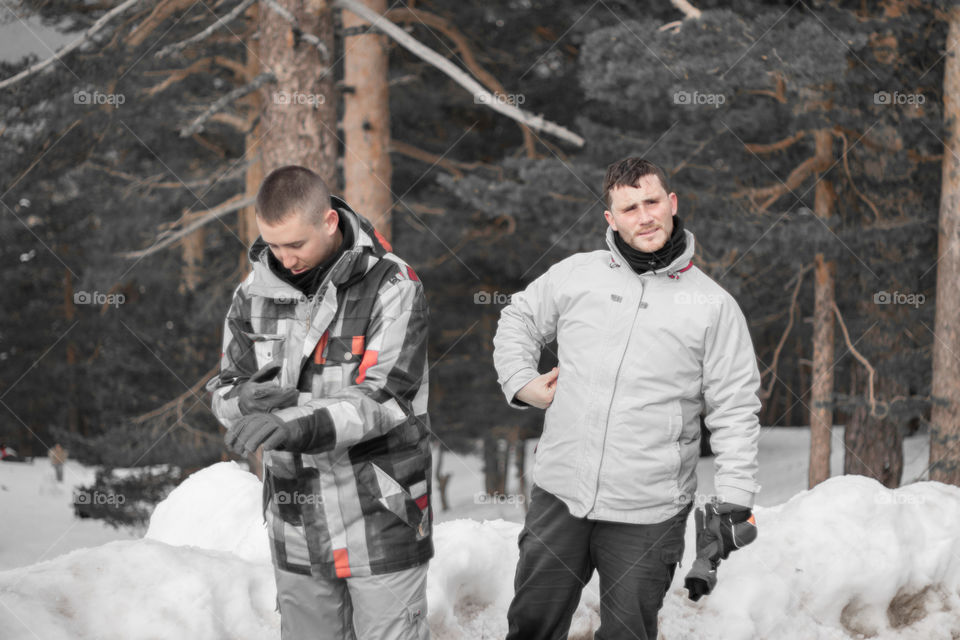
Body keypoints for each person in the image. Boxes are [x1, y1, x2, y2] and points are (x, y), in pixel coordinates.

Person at [493, 157, 762, 639]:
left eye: (653, 201)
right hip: (560, 498)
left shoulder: (712, 305)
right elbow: (518, 318)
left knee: (628, 634)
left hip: (648, 511)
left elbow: (735, 407)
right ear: (610, 218)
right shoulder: (577, 274)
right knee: (531, 626)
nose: (645, 216)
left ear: (672, 203)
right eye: (629, 207)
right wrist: (519, 380)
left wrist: (735, 499)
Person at [207, 165, 432, 640]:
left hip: (382, 512)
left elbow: (385, 397)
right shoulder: (251, 296)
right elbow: (223, 389)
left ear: (329, 222)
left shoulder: (394, 285)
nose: (284, 259)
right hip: (295, 518)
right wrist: (242, 398)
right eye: (273, 245)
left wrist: (293, 425)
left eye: (296, 245)